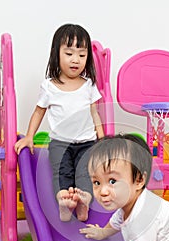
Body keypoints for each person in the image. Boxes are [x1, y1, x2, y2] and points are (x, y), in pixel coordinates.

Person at [15, 24, 104, 222]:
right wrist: (29, 137)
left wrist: (102, 137)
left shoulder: (88, 84)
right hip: (60, 143)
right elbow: (39, 112)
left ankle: (84, 202)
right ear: (57, 53)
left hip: (87, 142)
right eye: (69, 53)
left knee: (85, 173)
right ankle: (64, 203)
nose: (76, 60)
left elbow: (94, 113)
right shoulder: (50, 86)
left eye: (82, 55)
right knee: (61, 172)